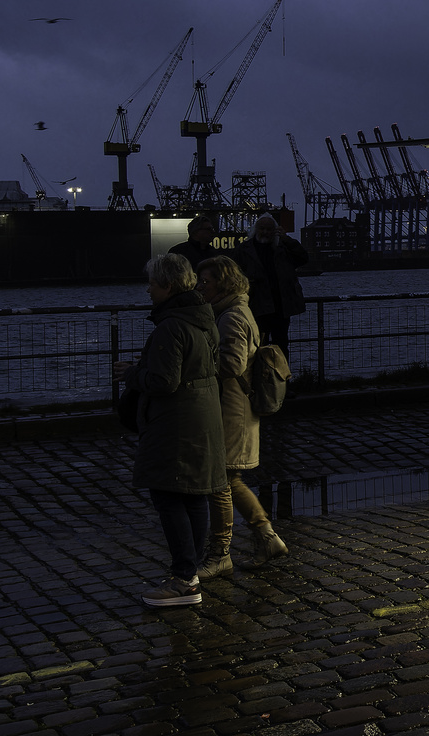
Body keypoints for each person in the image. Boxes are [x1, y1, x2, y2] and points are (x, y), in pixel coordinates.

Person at [113, 253, 225, 607]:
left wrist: (131, 373)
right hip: (202, 417)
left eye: (152, 283)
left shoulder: (170, 326)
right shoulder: (205, 319)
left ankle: (183, 579)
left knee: (168, 496)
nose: (147, 290)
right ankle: (189, 574)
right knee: (193, 497)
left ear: (168, 285)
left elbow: (163, 382)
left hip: (174, 424)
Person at [194, 256, 288, 579]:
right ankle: (266, 539)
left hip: (232, 408)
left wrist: (197, 367)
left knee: (220, 480)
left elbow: (232, 364)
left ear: (222, 282)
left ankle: (221, 552)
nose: (200, 286)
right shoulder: (235, 310)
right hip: (236, 406)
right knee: (228, 479)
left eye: (205, 281)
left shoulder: (231, 316)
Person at [234, 214, 308, 355]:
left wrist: (286, 239)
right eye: (262, 229)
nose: (266, 232)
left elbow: (303, 257)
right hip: (257, 306)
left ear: (275, 231)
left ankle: (281, 375)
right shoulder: (243, 250)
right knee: (257, 346)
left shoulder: (282, 246)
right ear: (256, 229)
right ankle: (262, 376)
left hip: (280, 307)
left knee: (280, 345)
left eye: (269, 229)